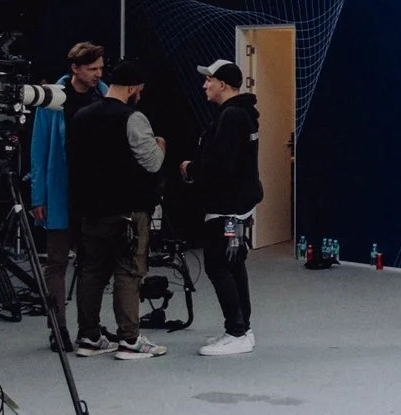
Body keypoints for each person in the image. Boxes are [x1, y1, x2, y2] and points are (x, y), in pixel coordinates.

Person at [67, 59, 168, 360]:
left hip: (90, 210)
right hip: (128, 211)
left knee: (91, 273)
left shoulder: (81, 116)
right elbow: (152, 162)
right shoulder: (133, 117)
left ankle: (89, 336)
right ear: (134, 88)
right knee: (128, 271)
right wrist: (160, 144)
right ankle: (129, 339)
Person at [181, 60, 264, 356]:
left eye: (209, 81)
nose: (205, 85)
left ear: (224, 85)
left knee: (219, 266)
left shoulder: (231, 117)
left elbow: (221, 166)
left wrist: (192, 169)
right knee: (234, 264)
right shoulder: (243, 114)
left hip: (227, 209)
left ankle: (237, 332)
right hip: (238, 207)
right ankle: (243, 328)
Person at [28, 41, 108, 317]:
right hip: (61, 191)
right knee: (57, 261)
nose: (98, 74)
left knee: (93, 263)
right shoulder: (52, 99)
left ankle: (90, 328)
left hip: (95, 193)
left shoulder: (105, 96)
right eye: (91, 69)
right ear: (75, 68)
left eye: (100, 67)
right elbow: (38, 149)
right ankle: (58, 326)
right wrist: (38, 196)